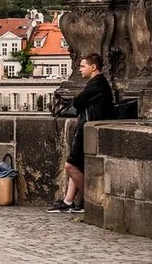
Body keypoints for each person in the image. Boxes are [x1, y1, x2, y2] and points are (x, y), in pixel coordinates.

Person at [48, 53, 116, 214]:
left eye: (83, 66)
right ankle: (68, 201)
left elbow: (78, 102)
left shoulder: (96, 83)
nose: (79, 69)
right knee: (77, 166)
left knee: (70, 166)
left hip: (88, 127)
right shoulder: (99, 82)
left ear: (93, 67)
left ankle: (90, 202)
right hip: (89, 126)